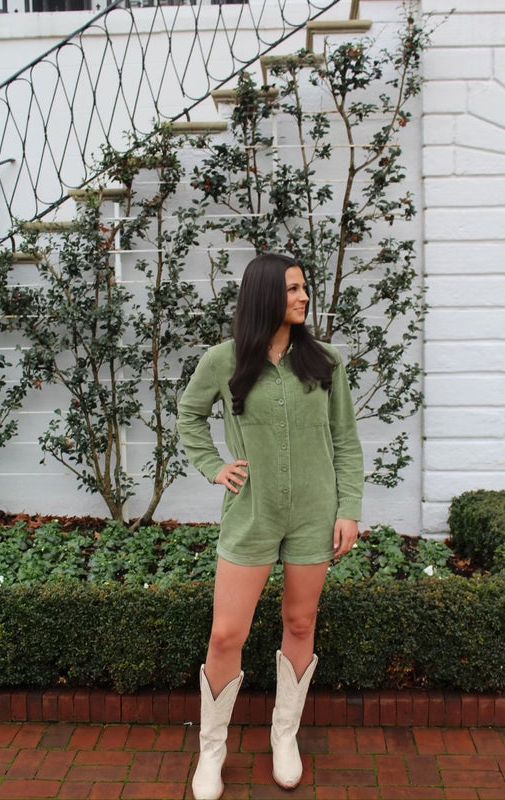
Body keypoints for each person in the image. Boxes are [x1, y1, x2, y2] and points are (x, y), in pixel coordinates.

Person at [177, 252, 364, 800]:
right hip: (251, 513)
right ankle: (212, 750)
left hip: (314, 512)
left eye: (304, 288)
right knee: (226, 634)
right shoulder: (224, 360)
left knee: (300, 623)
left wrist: (348, 508)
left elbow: (345, 439)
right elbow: (189, 414)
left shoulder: (325, 361)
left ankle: (285, 736)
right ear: (264, 295)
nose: (303, 297)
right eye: (292, 289)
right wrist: (214, 466)